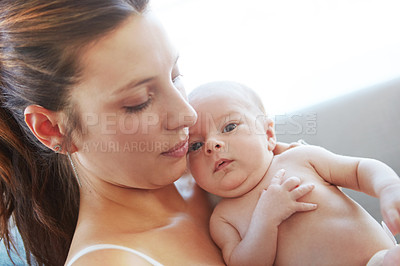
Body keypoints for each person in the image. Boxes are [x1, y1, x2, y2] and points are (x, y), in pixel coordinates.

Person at [0, 1, 301, 265]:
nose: (187, 114)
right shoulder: (113, 260)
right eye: (139, 102)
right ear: (52, 129)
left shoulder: (212, 171)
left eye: (175, 75)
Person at [187, 81, 400, 266]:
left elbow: (358, 169)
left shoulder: (300, 158)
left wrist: (388, 186)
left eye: (229, 127)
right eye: (195, 145)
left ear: (269, 134)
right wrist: (265, 219)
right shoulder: (223, 218)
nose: (212, 144)